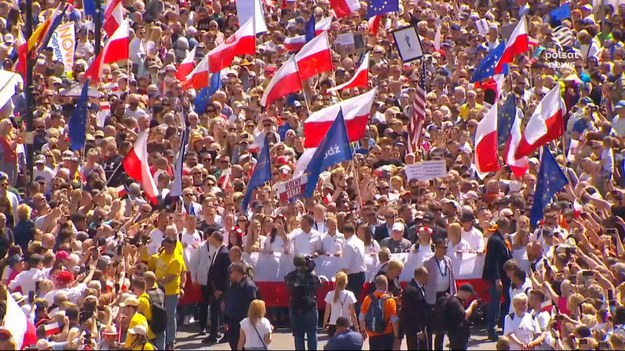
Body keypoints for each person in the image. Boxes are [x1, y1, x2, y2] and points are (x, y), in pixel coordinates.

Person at [152, 235, 185, 349]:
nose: (167, 248)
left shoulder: (176, 259)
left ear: (174, 246)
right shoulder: (161, 254)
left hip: (171, 292)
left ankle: (170, 341)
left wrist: (156, 280)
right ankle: (163, 340)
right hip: (159, 291)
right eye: (165, 246)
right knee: (161, 317)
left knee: (170, 317)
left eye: (169, 247)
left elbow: (170, 277)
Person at [424, 238, 457, 350]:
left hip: (445, 294)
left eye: (446, 247)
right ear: (437, 248)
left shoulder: (448, 260)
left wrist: (454, 293)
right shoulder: (429, 262)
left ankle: (439, 347)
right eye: (444, 247)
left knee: (442, 325)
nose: (446, 250)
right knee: (430, 324)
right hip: (433, 296)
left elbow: (452, 278)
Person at [483, 221, 513, 341]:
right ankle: (492, 329)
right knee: (495, 303)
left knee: (502, 302)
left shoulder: (501, 239)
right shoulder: (495, 240)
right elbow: (493, 261)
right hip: (498, 277)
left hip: (505, 277)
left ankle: (501, 325)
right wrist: (497, 279)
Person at [285, 255, 321, 351]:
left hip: (295, 307)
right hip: (310, 307)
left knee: (298, 335)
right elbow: (319, 284)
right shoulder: (312, 275)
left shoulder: (289, 276)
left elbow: (288, 286)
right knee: (312, 334)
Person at [223, 262, 260, 351]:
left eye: (231, 272)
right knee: (234, 345)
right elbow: (229, 303)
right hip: (233, 323)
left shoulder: (249, 287)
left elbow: (254, 305)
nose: (230, 274)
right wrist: (226, 320)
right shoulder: (233, 286)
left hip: (245, 323)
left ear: (237, 272)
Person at [203, 231, 230, 344]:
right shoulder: (217, 251)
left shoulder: (224, 253)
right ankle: (213, 334)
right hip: (213, 287)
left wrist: (220, 289)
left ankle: (224, 334)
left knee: (220, 312)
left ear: (215, 239)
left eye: (211, 238)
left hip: (219, 288)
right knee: (214, 312)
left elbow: (224, 273)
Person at [359, 275, 400, 350]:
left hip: (372, 333)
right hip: (387, 333)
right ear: (386, 284)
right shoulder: (390, 300)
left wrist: (362, 331)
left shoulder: (368, 298)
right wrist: (396, 336)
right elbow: (394, 319)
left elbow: (361, 317)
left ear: (376, 285)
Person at [435, 284, 480, 350]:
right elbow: (464, 315)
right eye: (470, 294)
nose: (469, 297)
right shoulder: (454, 302)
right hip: (458, 336)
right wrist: (472, 305)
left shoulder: (451, 299)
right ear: (465, 292)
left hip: (455, 334)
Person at [339, 223, 366, 315]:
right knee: (356, 299)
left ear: (345, 232)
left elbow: (346, 263)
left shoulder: (349, 245)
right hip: (361, 274)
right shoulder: (360, 242)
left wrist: (340, 274)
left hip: (353, 276)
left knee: (352, 301)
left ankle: (355, 321)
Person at [400, 267, 429, 350]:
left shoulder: (420, 287)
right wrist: (418, 330)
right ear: (421, 275)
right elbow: (410, 311)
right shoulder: (410, 290)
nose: (428, 278)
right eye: (427, 275)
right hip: (413, 328)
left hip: (421, 325)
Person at [323, 271, 359, 337]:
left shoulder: (330, 294)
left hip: (333, 323)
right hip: (347, 323)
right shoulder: (350, 294)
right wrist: (356, 326)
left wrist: (324, 323)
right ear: (346, 282)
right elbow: (352, 313)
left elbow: (327, 312)